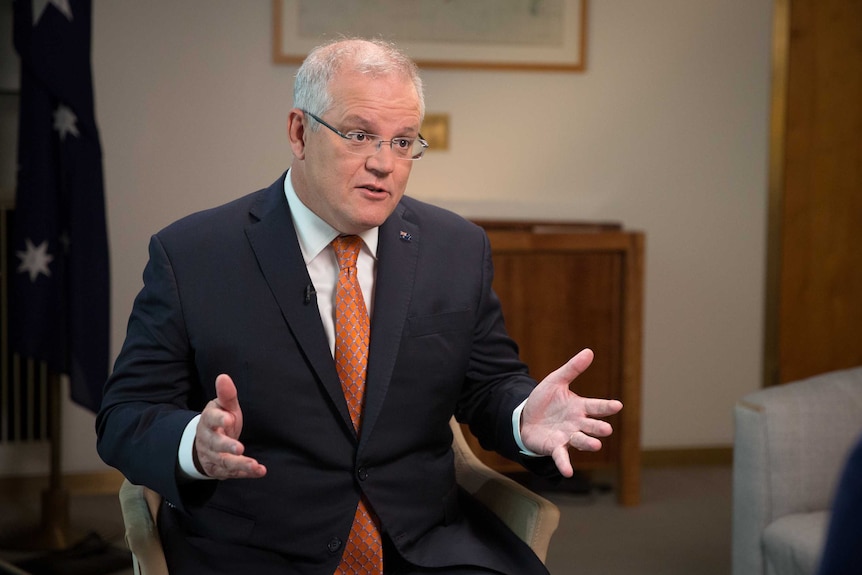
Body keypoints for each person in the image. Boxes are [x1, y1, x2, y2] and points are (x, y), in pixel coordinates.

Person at [96, 38, 622, 575]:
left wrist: (519, 417)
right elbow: (124, 416)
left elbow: (486, 385)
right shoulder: (193, 255)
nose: (383, 164)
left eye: (403, 142)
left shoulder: (456, 247)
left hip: (423, 546)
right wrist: (194, 445)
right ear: (300, 132)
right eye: (359, 135)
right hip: (258, 551)